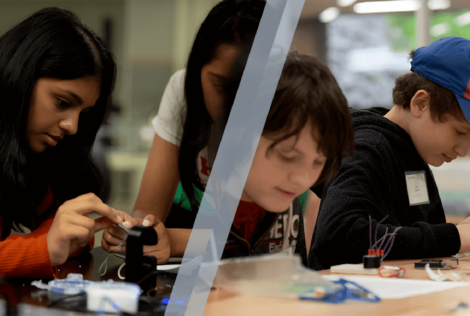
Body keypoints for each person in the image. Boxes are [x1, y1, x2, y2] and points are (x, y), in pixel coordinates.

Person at [103, 38, 355, 263]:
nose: (303, 178)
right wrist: (157, 237)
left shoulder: (294, 191)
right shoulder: (199, 175)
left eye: (318, 162)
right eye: (288, 156)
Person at [308, 36, 470, 270]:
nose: (464, 150)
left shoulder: (414, 153)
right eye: (459, 132)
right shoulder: (368, 149)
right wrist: (456, 237)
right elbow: (339, 235)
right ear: (421, 104)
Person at [0, 7, 136, 278]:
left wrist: (77, 229)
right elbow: (45, 245)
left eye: (83, 113)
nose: (72, 127)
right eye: (62, 102)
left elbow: (62, 239)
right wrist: (44, 246)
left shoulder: (40, 153)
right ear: (21, 78)